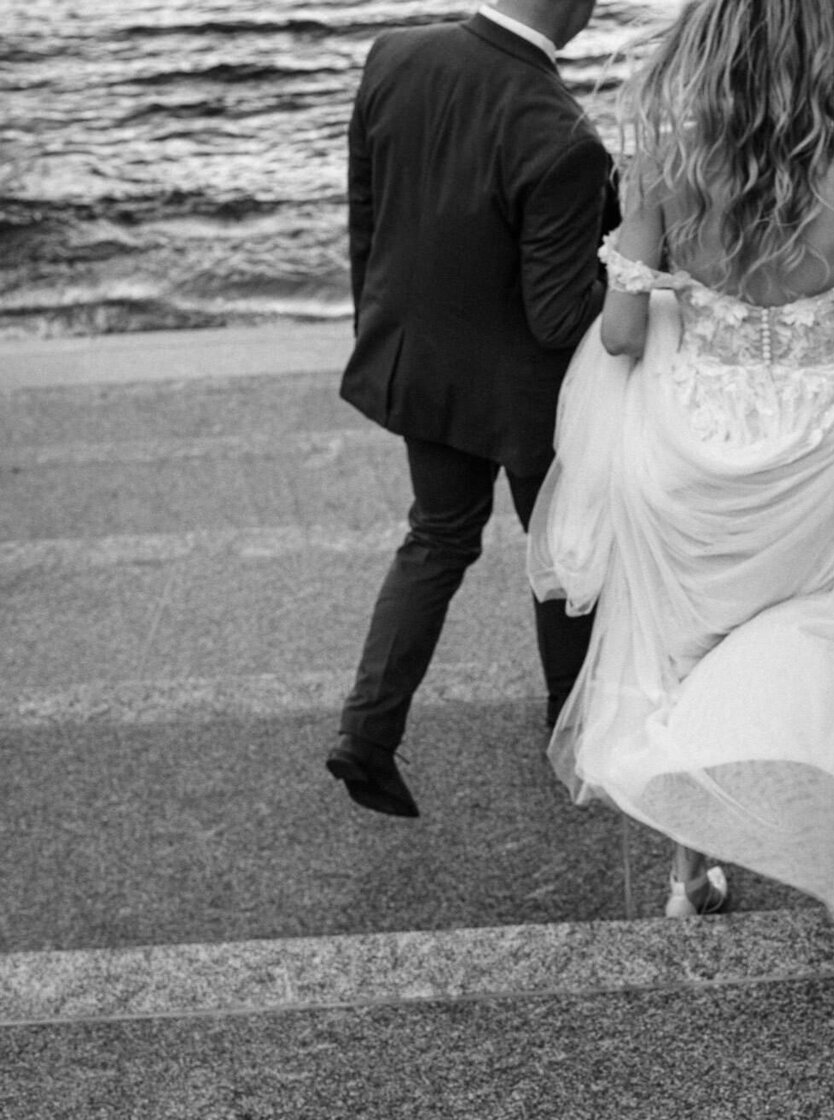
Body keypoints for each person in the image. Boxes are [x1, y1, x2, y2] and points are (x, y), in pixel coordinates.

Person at [527, 0, 834, 954]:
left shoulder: (668, 169)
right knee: (833, 625)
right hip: (820, 451)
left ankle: (687, 868)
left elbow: (622, 333)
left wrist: (680, 306)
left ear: (708, 53)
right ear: (832, 49)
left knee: (683, 649)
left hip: (693, 448)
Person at [327, 0, 617, 818]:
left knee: (438, 537)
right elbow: (560, 314)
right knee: (562, 552)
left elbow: (367, 216)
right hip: (527, 399)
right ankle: (574, 732)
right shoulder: (563, 135)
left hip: (421, 365)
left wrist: (382, 335)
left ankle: (367, 734)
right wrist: (626, 269)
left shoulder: (395, 54)